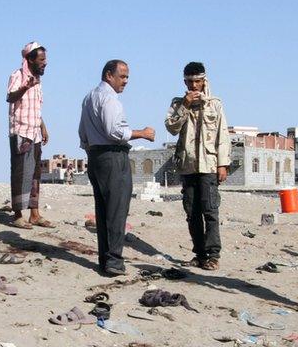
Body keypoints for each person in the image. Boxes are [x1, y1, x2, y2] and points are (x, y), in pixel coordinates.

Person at [78, 60, 156, 276]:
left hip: (97, 156)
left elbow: (82, 132)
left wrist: (92, 151)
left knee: (103, 210)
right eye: (122, 76)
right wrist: (142, 133)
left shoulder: (89, 97)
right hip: (112, 156)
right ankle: (113, 261)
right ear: (108, 75)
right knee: (116, 210)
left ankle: (106, 259)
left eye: (127, 77)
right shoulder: (109, 99)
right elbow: (115, 131)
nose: (126, 81)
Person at [164, 62, 232, 270]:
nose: (194, 86)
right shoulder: (178, 104)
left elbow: (223, 136)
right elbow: (172, 128)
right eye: (190, 81)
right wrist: (184, 106)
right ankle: (200, 254)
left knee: (210, 211)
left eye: (197, 81)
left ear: (204, 81)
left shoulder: (215, 104)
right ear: (185, 81)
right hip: (188, 166)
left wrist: (223, 165)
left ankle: (213, 255)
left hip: (209, 165)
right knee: (192, 212)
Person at [6, 41, 54, 229]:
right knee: (20, 173)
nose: (45, 63)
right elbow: (10, 97)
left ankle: (35, 214)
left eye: (45, 59)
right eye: (41, 59)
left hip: (34, 132)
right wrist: (25, 86)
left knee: (35, 173)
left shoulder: (38, 81)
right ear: (30, 60)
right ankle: (18, 215)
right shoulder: (17, 76)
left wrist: (43, 126)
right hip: (20, 131)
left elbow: (36, 108)